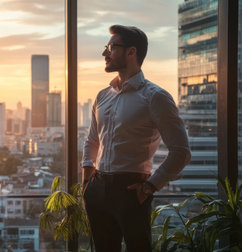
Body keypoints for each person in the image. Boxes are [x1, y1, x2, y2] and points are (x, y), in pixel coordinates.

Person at [81, 24, 191, 252]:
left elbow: (180, 151)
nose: (105, 53)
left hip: (131, 190)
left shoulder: (155, 97)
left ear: (132, 52)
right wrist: (87, 183)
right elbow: (92, 140)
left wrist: (149, 187)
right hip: (98, 187)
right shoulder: (103, 95)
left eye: (111, 47)